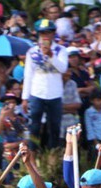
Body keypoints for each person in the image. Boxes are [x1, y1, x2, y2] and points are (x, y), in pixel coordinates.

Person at [22, 19, 68, 149]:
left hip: (55, 94)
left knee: (54, 126)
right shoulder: (32, 52)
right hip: (37, 93)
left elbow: (63, 69)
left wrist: (51, 55)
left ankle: (52, 155)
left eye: (48, 32)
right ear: (38, 34)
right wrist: (25, 97)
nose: (46, 36)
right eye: (42, 33)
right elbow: (28, 75)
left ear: (53, 34)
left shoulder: (61, 50)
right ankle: (33, 154)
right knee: (34, 126)